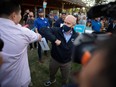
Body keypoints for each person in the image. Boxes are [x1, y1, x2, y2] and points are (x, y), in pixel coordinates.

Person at [0, 0, 41, 87]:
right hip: (19, 81)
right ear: (14, 16)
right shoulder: (23, 32)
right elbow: (38, 37)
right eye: (20, 13)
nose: (21, 16)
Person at [39, 15, 78, 86]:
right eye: (64, 22)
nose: (65, 25)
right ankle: (52, 80)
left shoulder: (76, 36)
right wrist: (54, 39)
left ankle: (64, 84)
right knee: (52, 73)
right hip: (55, 59)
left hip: (67, 62)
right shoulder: (57, 30)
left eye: (68, 23)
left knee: (65, 77)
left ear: (73, 25)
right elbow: (42, 30)